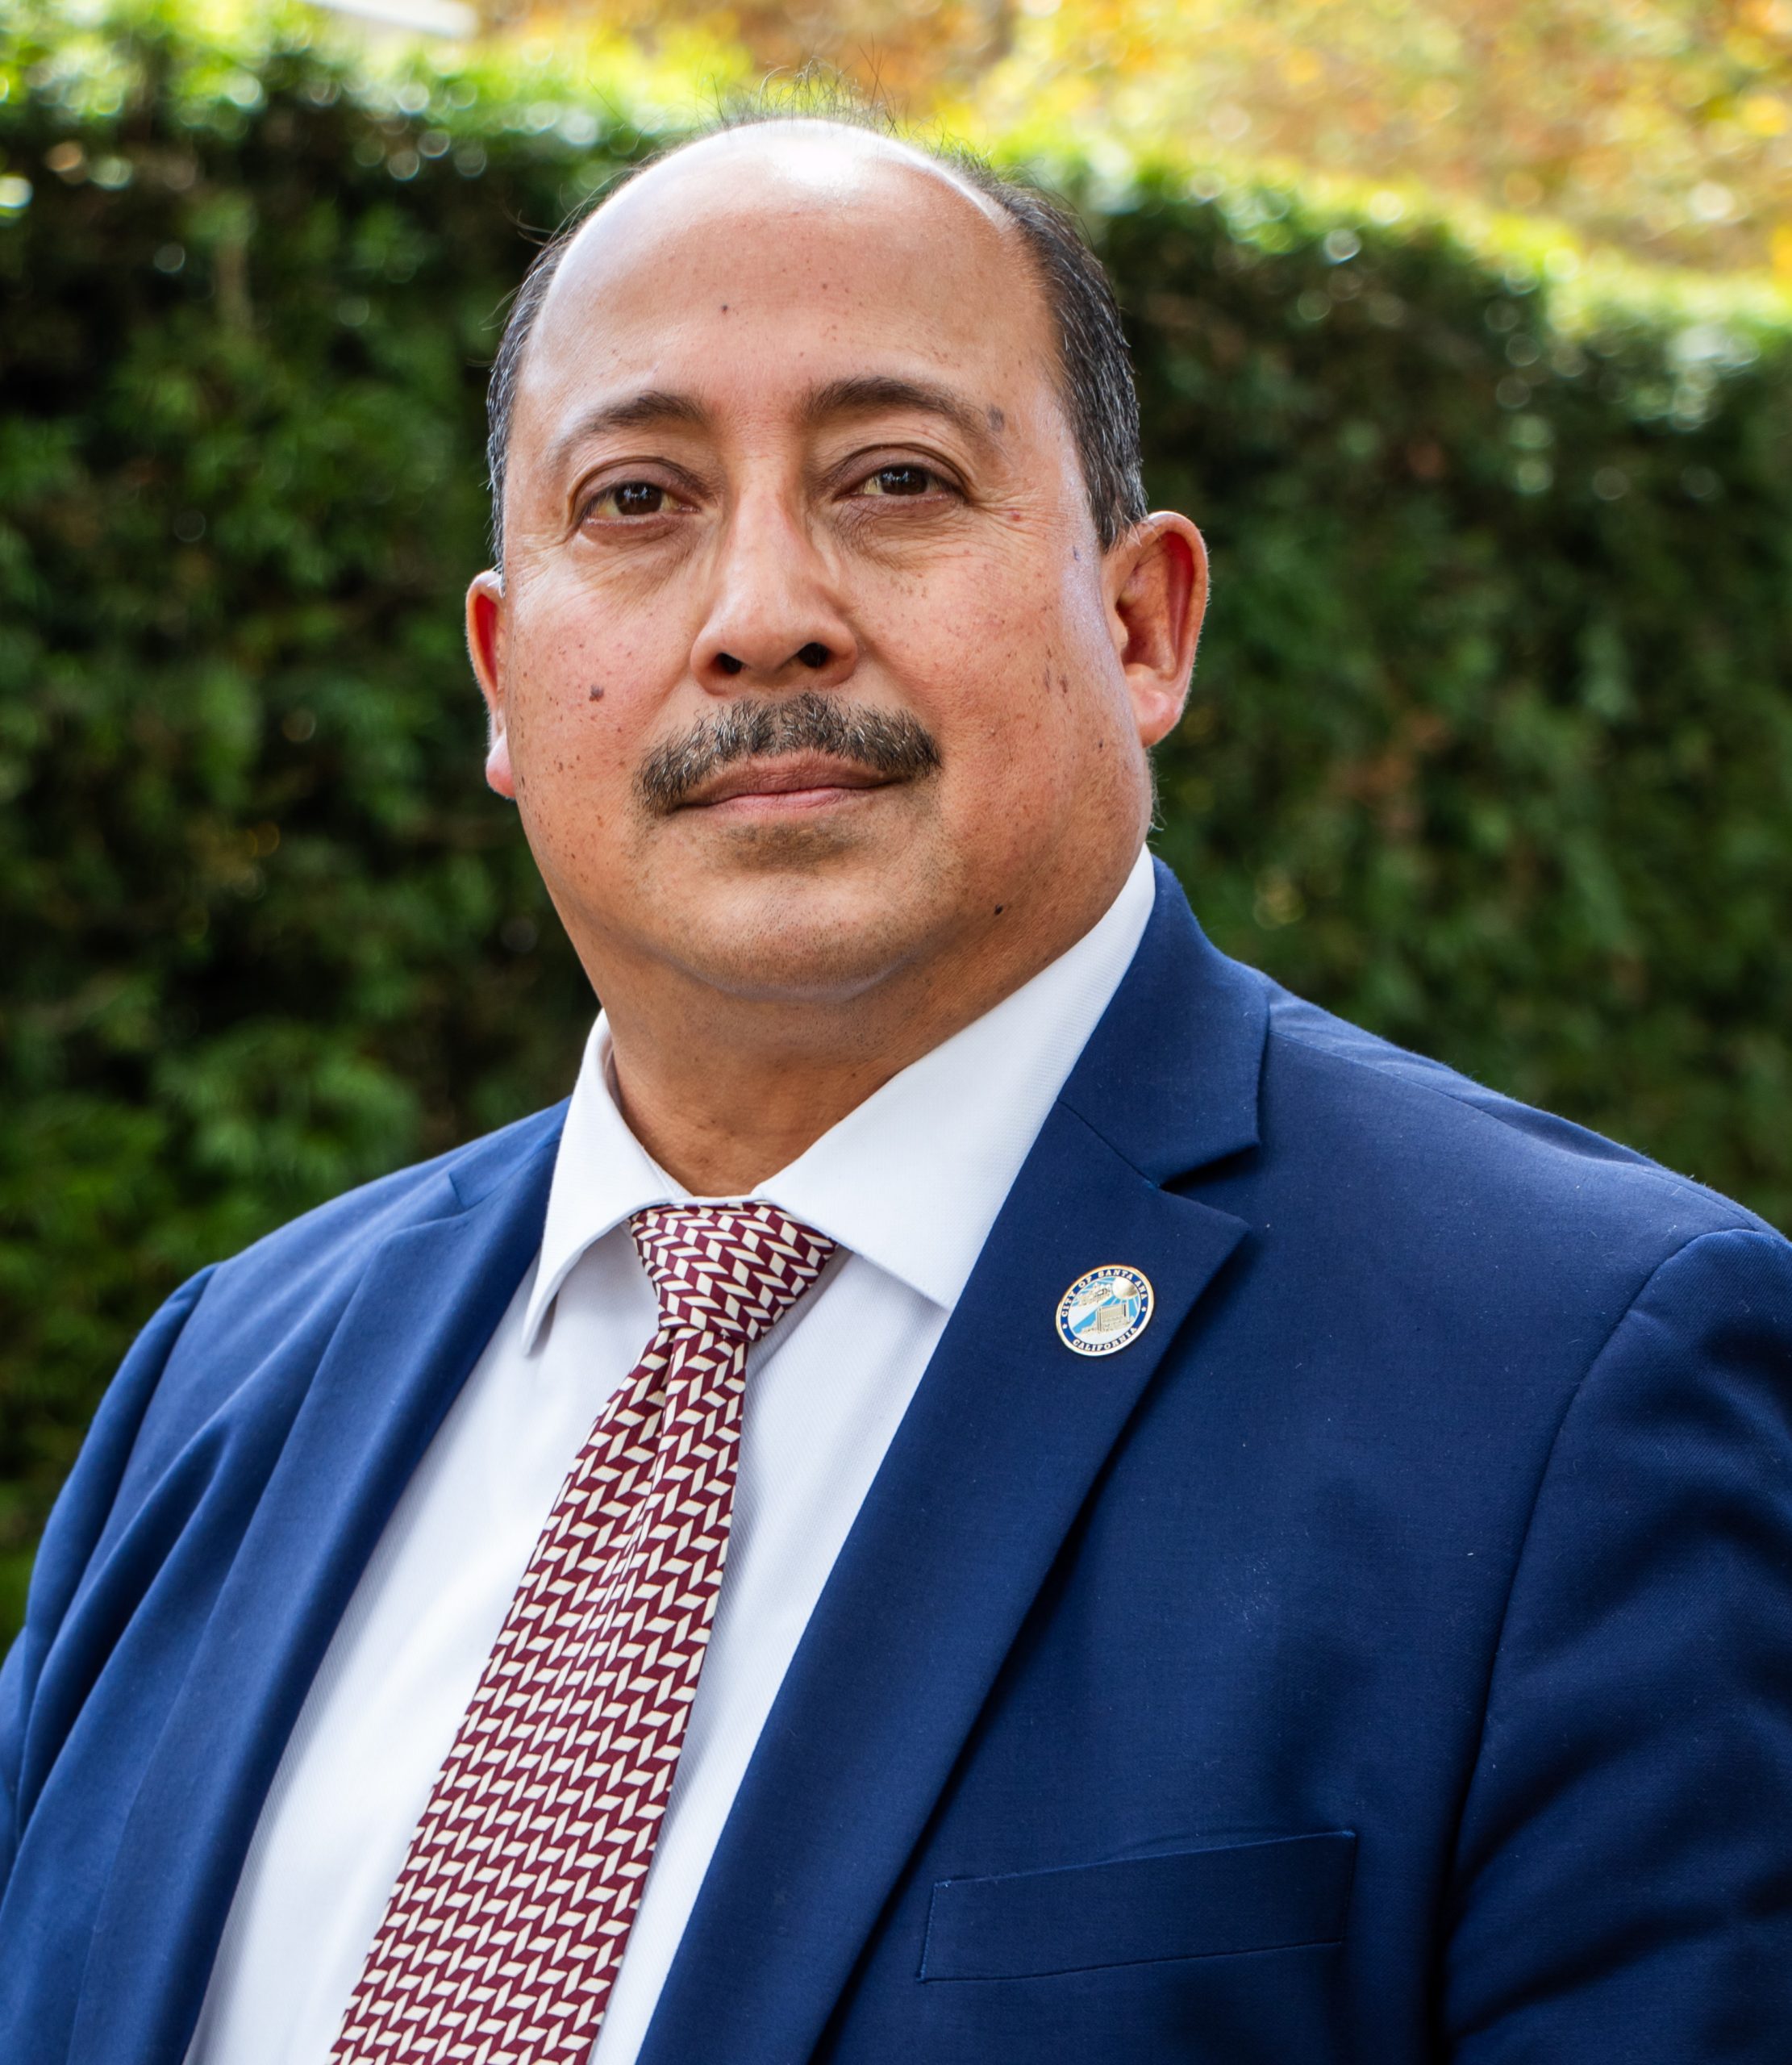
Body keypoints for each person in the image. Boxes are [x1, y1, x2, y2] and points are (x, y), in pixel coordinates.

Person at [2, 110, 1790, 2065]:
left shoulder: (1575, 1378)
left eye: (895, 476)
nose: (761, 607)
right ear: (503, 682)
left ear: (1141, 624)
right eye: (634, 501)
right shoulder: (226, 1374)